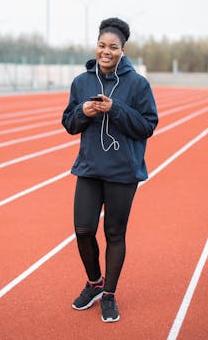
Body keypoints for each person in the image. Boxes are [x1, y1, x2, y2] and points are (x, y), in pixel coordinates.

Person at [62, 17, 158, 323]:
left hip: (123, 172)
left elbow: (147, 126)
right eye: (102, 45)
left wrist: (114, 108)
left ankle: (110, 295)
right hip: (89, 168)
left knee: (114, 233)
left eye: (113, 47)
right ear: (97, 45)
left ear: (123, 49)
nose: (106, 52)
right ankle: (94, 283)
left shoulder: (138, 84)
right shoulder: (81, 82)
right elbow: (69, 124)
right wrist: (83, 112)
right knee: (83, 230)